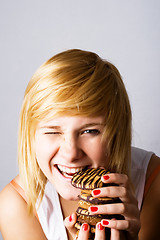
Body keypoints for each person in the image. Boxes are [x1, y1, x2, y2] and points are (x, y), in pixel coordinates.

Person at [0, 49, 160, 240]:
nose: (71, 153)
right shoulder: (16, 204)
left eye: (89, 131)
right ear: (31, 136)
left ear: (117, 131)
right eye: (52, 131)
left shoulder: (154, 183)